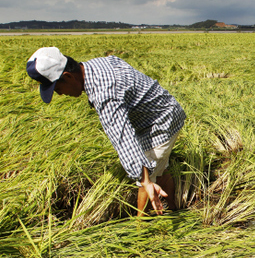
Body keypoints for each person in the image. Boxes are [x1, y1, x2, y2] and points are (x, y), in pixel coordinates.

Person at [26, 47, 186, 216]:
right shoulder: (93, 66)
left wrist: (145, 179)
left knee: (147, 180)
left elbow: (123, 137)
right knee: (158, 169)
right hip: (160, 112)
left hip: (160, 122)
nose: (60, 94)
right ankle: (174, 208)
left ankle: (140, 229)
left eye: (57, 89)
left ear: (68, 76)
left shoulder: (104, 93)